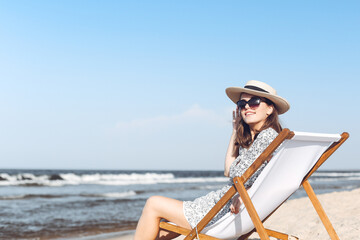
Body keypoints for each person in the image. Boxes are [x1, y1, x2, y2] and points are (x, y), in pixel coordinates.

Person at [134, 80, 290, 240]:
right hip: (221, 208)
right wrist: (235, 132)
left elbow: (242, 173)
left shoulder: (268, 138)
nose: (247, 107)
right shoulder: (258, 139)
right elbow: (228, 171)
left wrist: (246, 194)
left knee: (153, 204)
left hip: (219, 212)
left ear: (270, 109)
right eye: (242, 103)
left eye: (254, 102)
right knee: (158, 234)